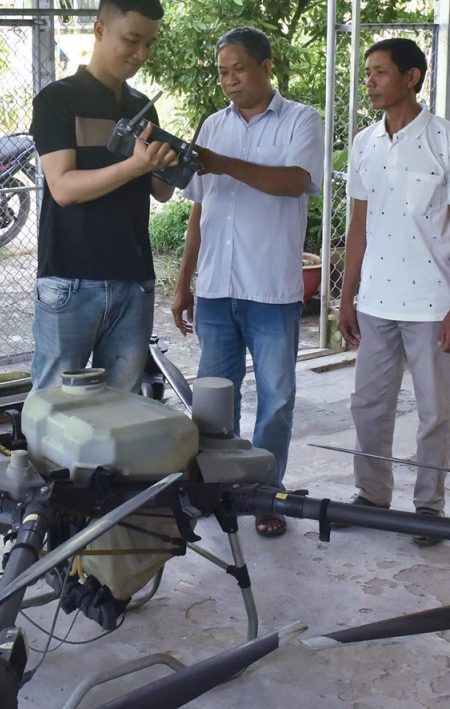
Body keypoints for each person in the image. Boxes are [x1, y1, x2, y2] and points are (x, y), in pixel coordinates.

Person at [172, 27, 324, 538]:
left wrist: (224, 164)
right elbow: (200, 206)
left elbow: (293, 182)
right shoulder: (213, 125)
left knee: (276, 399)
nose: (230, 81)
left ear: (266, 66)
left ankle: (267, 493)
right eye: (222, 72)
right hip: (215, 288)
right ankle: (220, 490)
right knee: (216, 400)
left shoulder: (302, 120)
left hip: (272, 290)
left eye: (239, 69)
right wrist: (183, 282)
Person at [336, 38, 450, 545]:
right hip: (375, 300)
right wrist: (346, 296)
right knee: (368, 405)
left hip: (432, 304)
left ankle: (428, 507)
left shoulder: (449, 141)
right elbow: (359, 226)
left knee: (433, 410)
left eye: (379, 72)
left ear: (412, 76)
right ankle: (371, 495)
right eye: (368, 72)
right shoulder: (363, 143)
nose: (370, 82)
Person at [28, 0, 179, 393]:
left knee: (121, 412)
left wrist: (167, 165)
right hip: (70, 281)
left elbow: (160, 192)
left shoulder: (141, 105)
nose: (141, 54)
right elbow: (64, 188)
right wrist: (134, 166)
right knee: (54, 407)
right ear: (99, 30)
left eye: (149, 43)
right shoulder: (58, 101)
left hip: (133, 280)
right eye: (132, 40)